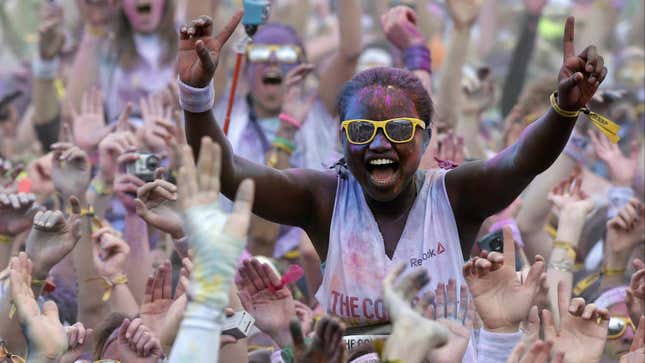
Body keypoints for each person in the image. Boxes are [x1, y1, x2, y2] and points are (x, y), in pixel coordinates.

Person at [176, 9, 608, 330]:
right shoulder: (322, 200)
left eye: (398, 129)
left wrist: (563, 110)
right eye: (362, 130)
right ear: (342, 140)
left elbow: (521, 160)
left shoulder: (456, 196)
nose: (380, 144)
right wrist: (195, 94)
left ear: (425, 137)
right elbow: (226, 169)